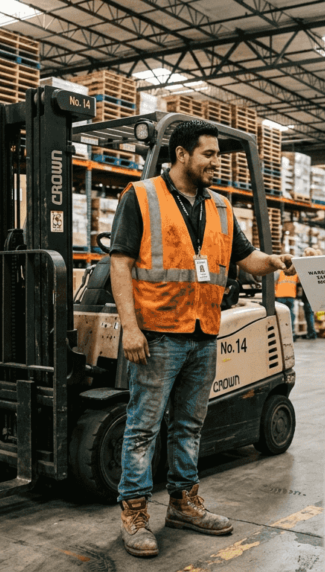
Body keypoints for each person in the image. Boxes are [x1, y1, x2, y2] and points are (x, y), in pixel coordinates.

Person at [109, 120, 295, 558]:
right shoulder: (141, 196)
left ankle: (183, 503)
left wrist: (276, 261)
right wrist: (131, 328)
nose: (216, 163)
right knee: (142, 429)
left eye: (218, 155)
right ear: (181, 154)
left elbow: (245, 257)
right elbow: (120, 263)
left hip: (204, 332)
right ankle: (134, 513)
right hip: (157, 334)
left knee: (190, 426)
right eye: (209, 155)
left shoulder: (222, 208)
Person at [274, 268, 299, 338]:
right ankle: (291, 332)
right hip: (291, 295)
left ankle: (282, 332)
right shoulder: (295, 273)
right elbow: (298, 282)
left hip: (280, 295)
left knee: (281, 314)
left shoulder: (279, 272)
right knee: (290, 314)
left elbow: (274, 282)